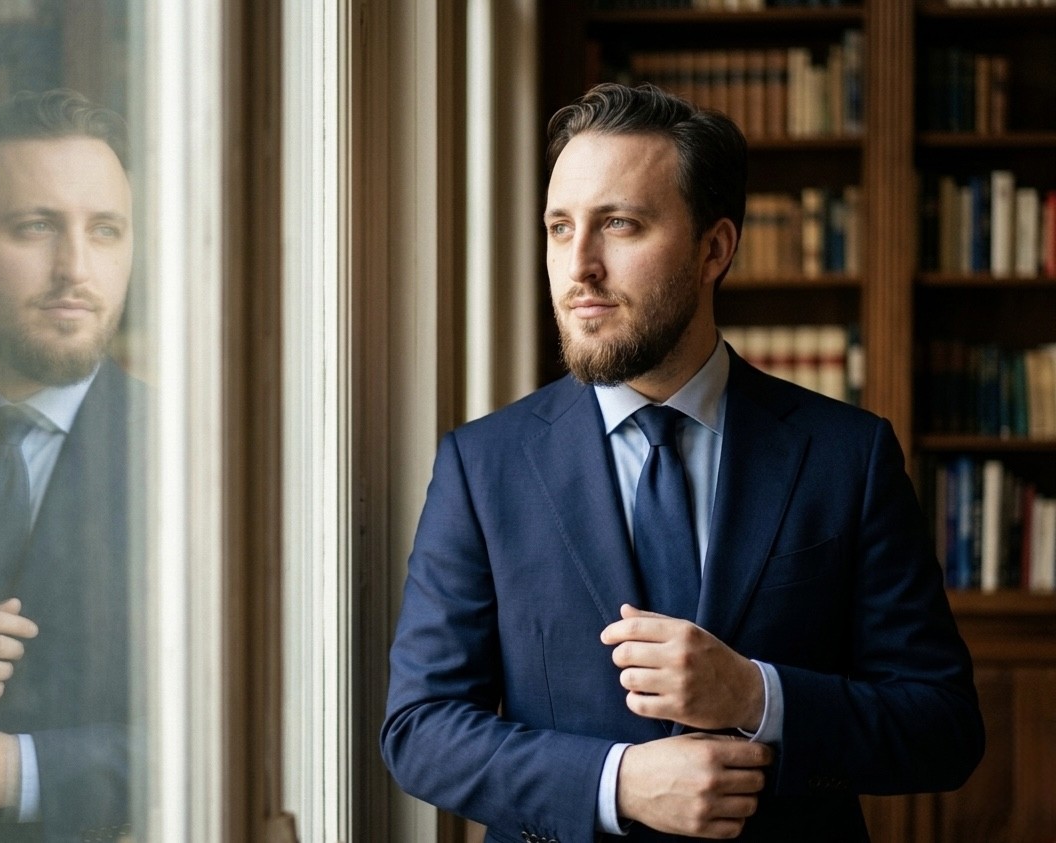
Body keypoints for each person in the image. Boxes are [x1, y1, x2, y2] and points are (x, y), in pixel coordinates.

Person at [381, 83, 984, 842]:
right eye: (560, 228)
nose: (579, 268)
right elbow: (421, 728)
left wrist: (756, 695)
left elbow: (943, 727)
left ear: (714, 248)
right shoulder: (481, 465)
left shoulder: (847, 454)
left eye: (620, 224)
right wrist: (616, 782)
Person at [0, 88, 144, 842]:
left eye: (104, 231)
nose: (75, 268)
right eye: (35, 227)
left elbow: (254, 737)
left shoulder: (189, 467)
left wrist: (19, 771)